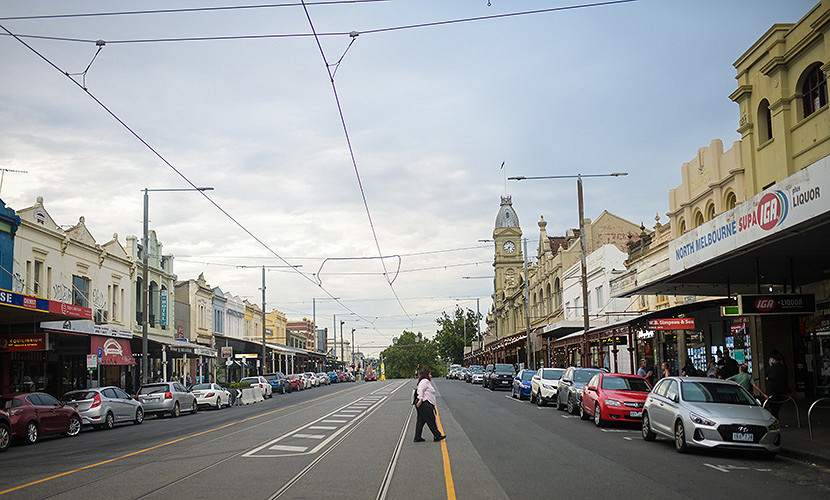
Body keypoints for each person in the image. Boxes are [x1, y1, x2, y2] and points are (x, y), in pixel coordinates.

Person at [414, 369, 445, 443]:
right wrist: (420, 399)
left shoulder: (424, 381)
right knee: (431, 420)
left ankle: (417, 437)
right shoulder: (425, 381)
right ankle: (437, 435)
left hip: (424, 404)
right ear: (426, 375)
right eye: (430, 374)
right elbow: (420, 390)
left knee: (421, 421)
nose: (431, 376)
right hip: (425, 404)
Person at [765, 353, 789, 418]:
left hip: (773, 391)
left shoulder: (770, 368)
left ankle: (775, 420)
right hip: (783, 391)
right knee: (777, 407)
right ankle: (775, 418)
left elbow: (766, 376)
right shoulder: (784, 368)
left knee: (773, 407)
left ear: (774, 360)